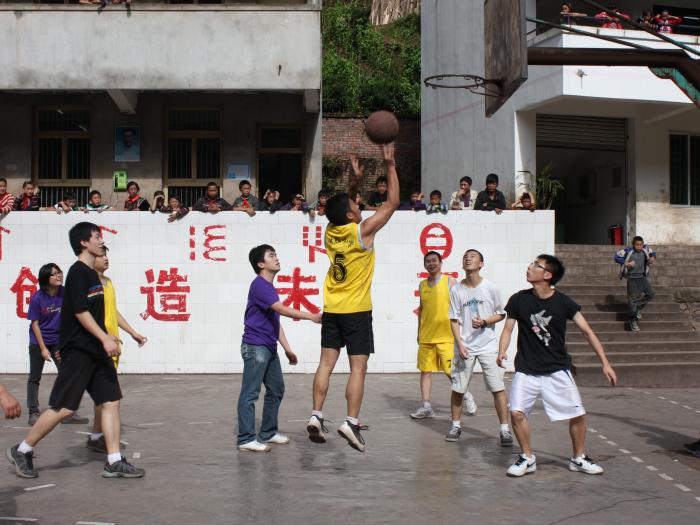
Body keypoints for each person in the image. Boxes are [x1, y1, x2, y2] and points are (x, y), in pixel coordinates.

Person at [6, 222, 145, 479]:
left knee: (111, 400)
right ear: (84, 242)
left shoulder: (93, 275)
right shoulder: (78, 272)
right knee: (65, 407)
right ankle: (22, 449)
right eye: (97, 237)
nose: (102, 241)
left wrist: (108, 335)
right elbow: (80, 312)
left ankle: (113, 460)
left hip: (95, 350)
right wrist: (104, 338)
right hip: (78, 350)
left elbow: (93, 313)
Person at [307, 143, 399, 453]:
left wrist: (355, 181)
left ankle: (317, 415)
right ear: (351, 213)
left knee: (325, 364)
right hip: (357, 311)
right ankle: (351, 421)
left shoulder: (330, 233)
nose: (360, 206)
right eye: (356, 205)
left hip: (332, 308)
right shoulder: (363, 232)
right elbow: (394, 201)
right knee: (358, 368)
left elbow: (343, 208)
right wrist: (389, 164)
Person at [498, 255, 617, 477]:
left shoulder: (564, 302)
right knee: (516, 413)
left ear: (547, 275)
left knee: (578, 414)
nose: (529, 266)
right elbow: (507, 329)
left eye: (535, 265)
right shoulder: (518, 300)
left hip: (556, 369)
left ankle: (578, 458)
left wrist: (605, 363)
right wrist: (502, 351)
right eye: (531, 262)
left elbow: (587, 331)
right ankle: (527, 457)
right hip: (527, 369)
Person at [237, 245, 322, 452]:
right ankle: (246, 439)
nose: (276, 258)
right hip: (255, 346)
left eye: (276, 254)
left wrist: (287, 348)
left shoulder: (268, 288)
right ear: (260, 264)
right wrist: (311, 316)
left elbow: (275, 319)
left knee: (276, 389)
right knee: (250, 393)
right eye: (271, 255)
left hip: (268, 347)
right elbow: (281, 310)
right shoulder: (259, 285)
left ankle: (267, 432)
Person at [445, 250, 512, 446]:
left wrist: (484, 321)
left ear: (481, 263)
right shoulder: (456, 290)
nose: (468, 258)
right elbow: (453, 319)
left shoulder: (490, 288)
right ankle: (456, 426)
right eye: (465, 256)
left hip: (488, 347)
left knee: (497, 388)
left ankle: (504, 430)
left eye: (473, 256)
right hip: (464, 347)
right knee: (458, 388)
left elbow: (501, 314)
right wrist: (459, 343)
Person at [87, 248, 147, 453]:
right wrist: (103, 336)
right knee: (106, 395)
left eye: (106, 255)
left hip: (113, 345)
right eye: (101, 255)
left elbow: (113, 311)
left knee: (105, 394)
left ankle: (96, 436)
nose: (105, 258)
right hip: (100, 345)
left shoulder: (108, 282)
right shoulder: (89, 284)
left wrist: (132, 332)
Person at [409, 251, 477, 419]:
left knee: (451, 372)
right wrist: (419, 332)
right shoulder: (422, 285)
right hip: (426, 337)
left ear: (440, 262)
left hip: (446, 336)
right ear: (425, 265)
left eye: (434, 260)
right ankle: (426, 406)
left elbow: (460, 305)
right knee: (425, 371)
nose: (431, 263)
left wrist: (463, 328)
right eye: (428, 261)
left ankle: (466, 395)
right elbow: (422, 309)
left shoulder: (449, 281)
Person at [25, 264, 88, 426]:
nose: (59, 276)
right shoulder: (38, 298)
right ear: (46, 279)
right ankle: (33, 412)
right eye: (54, 274)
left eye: (59, 272)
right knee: (34, 377)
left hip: (59, 342)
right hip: (39, 341)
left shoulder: (65, 292)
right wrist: (43, 348)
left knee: (66, 375)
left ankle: (66, 412)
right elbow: (35, 325)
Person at [614, 236, 656, 332]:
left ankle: (637, 307)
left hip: (642, 277)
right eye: (637, 245)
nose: (639, 247)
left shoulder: (646, 249)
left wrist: (653, 257)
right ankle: (633, 322)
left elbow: (653, 253)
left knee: (651, 294)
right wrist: (627, 263)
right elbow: (616, 257)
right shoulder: (628, 251)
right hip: (632, 279)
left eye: (640, 245)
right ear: (633, 245)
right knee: (632, 300)